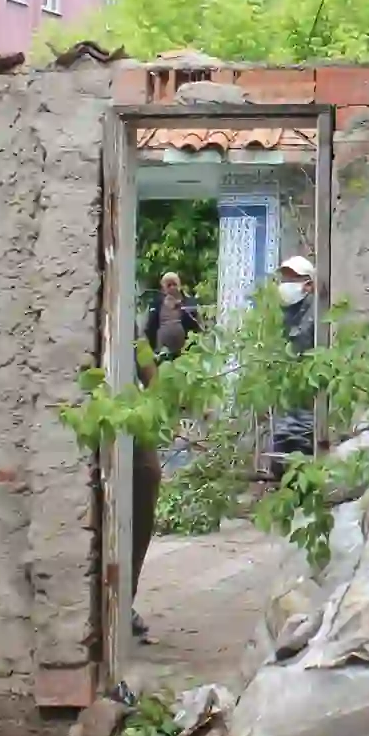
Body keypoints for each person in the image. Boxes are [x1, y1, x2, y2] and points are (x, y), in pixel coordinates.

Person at [132, 271, 200, 643]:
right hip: (100, 413)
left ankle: (122, 598)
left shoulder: (182, 304)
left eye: (176, 283)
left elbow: (143, 355)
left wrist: (157, 400)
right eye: (167, 284)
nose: (171, 289)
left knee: (146, 478)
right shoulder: (153, 307)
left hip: (134, 417)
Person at [270, 256, 317, 460]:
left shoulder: (316, 312)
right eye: (285, 280)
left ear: (308, 284)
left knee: (302, 444)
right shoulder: (282, 314)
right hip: (287, 399)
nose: (286, 286)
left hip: (310, 396)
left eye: (293, 280)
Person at [144, 272, 200, 360]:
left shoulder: (188, 302)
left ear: (179, 285)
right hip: (162, 349)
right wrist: (153, 348)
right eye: (169, 285)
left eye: (174, 284)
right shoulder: (157, 303)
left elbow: (195, 323)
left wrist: (181, 306)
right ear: (163, 288)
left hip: (185, 349)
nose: (172, 288)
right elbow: (150, 326)